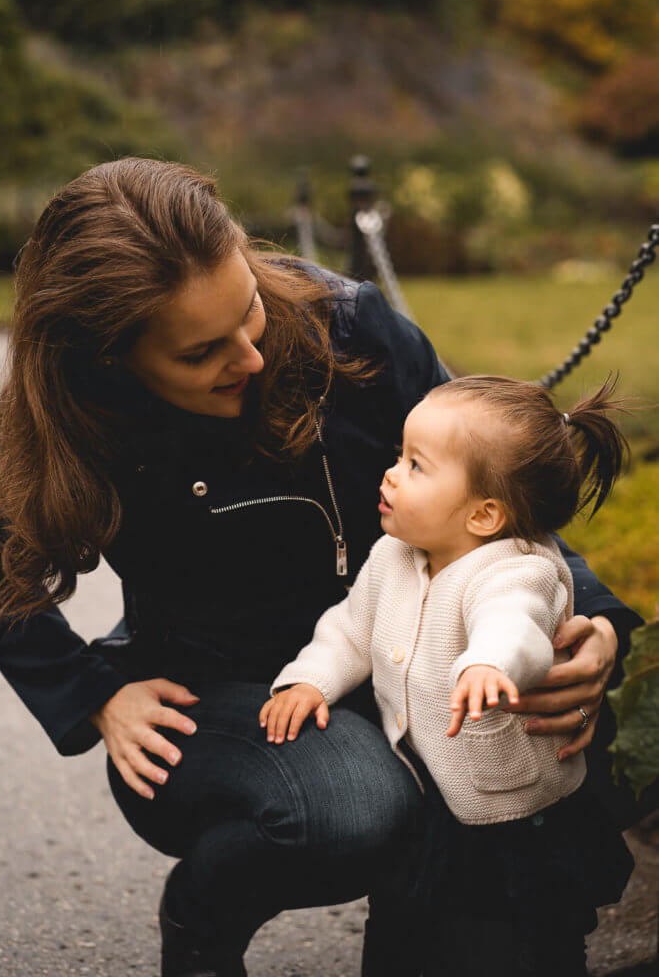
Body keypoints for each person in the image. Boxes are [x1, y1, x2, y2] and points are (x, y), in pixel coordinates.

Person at [0, 158, 643, 977]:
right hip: (217, 700)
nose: (249, 358)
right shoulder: (82, 405)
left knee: (554, 746)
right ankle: (200, 923)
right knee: (358, 803)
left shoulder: (350, 328)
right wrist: (92, 695)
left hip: (404, 652)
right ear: (113, 360)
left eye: (249, 309)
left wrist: (599, 626)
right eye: (201, 353)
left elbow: (494, 501)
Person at [261, 375, 636, 976]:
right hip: (429, 797)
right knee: (403, 938)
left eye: (416, 465)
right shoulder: (393, 555)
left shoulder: (517, 571)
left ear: (486, 514)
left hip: (513, 822)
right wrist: (311, 680)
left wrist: (488, 662)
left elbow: (515, 626)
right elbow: (350, 630)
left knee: (514, 951)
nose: (389, 475)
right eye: (396, 458)